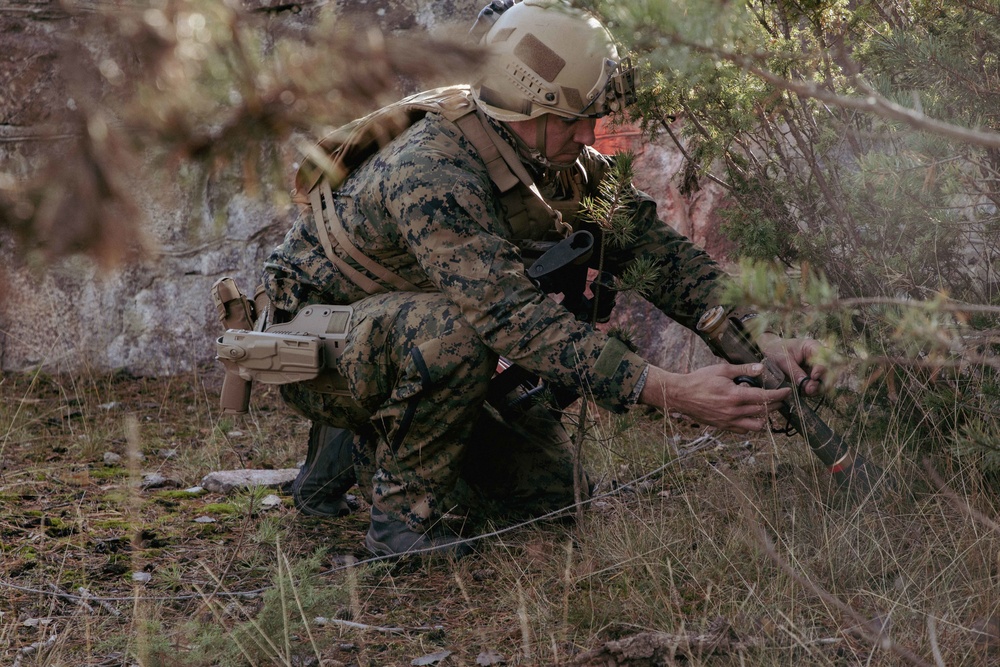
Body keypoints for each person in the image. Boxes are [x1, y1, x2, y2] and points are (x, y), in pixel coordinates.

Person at [261, 0, 825, 557]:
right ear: (527, 105)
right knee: (452, 334)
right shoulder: (432, 170)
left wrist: (758, 335)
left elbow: (661, 255)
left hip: (383, 330)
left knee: (554, 497)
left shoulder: (559, 164)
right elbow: (510, 318)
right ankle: (403, 524)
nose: (589, 133)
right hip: (316, 350)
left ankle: (350, 448)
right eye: (576, 118)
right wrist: (669, 392)